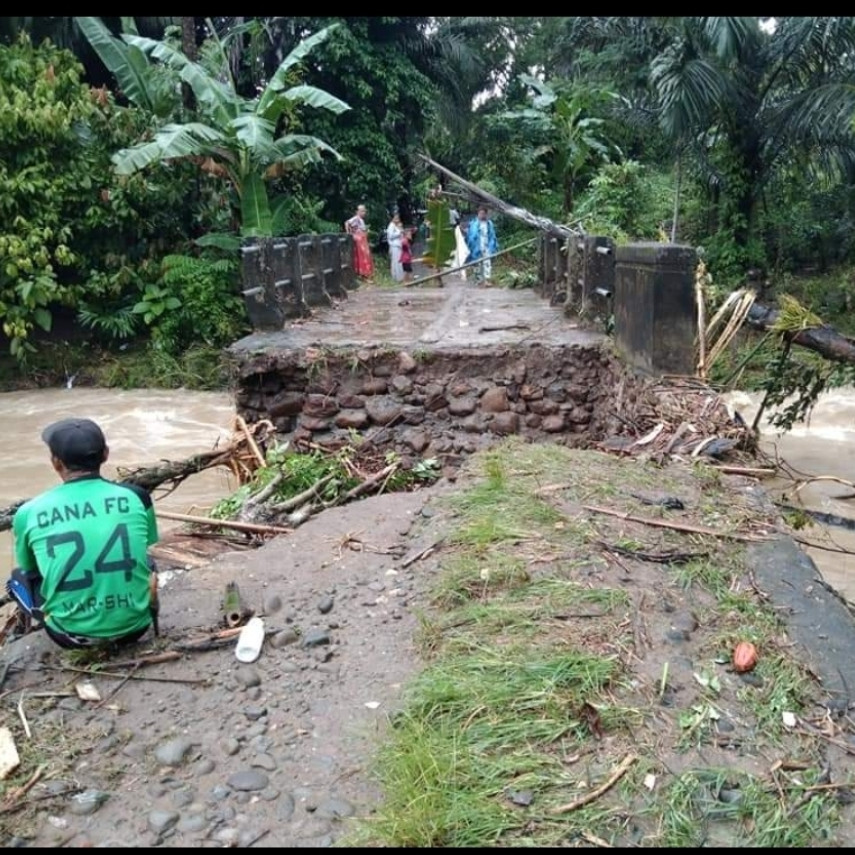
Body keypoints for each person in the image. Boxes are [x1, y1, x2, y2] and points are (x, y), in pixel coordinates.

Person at [6, 418, 160, 650]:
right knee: (147, 561)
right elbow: (147, 541)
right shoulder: (137, 496)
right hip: (136, 628)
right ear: (106, 454)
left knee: (17, 578)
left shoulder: (28, 512)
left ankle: (41, 626)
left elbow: (30, 569)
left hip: (70, 636)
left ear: (56, 463)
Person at [466, 206, 499, 286]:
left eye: (483, 214)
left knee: (487, 263)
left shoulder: (489, 224)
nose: (482, 215)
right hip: (476, 246)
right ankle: (479, 280)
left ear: (486, 214)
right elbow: (470, 235)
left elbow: (492, 235)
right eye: (480, 213)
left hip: (487, 246)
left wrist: (493, 245)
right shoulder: (473, 223)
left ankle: (487, 280)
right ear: (478, 214)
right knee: (477, 263)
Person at [344, 204, 374, 281]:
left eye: (364, 211)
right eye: (362, 211)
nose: (364, 212)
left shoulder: (361, 220)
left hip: (363, 239)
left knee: (366, 256)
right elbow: (347, 223)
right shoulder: (356, 218)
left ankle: (366, 275)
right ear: (358, 211)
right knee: (362, 257)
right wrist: (349, 234)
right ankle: (363, 274)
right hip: (359, 240)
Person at [386, 212, 405, 282]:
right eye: (395, 218)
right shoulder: (391, 226)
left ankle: (400, 277)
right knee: (396, 262)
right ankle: (396, 277)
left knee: (399, 261)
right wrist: (399, 232)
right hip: (394, 245)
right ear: (392, 219)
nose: (397, 220)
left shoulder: (397, 226)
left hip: (398, 245)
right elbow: (390, 236)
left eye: (398, 218)